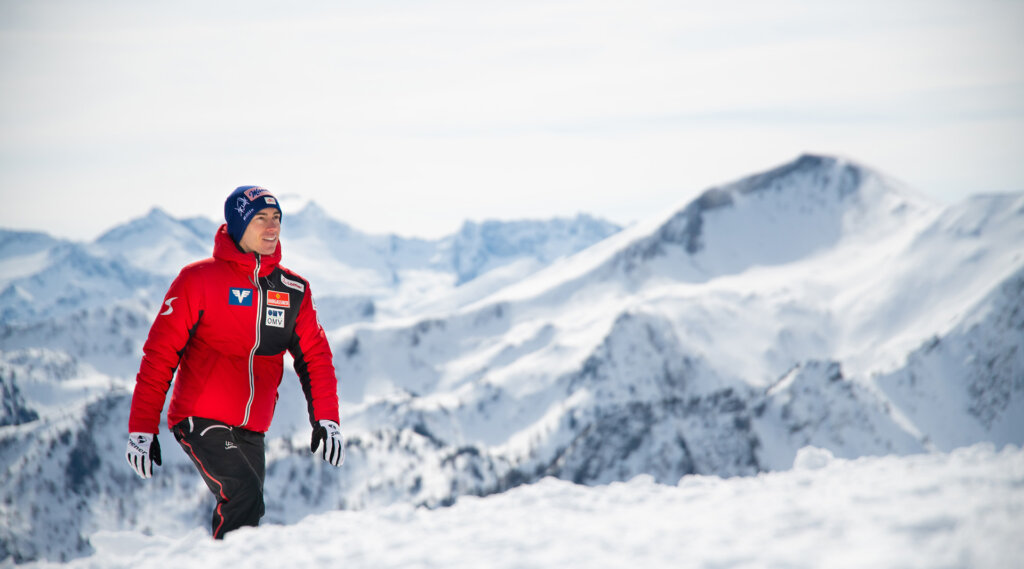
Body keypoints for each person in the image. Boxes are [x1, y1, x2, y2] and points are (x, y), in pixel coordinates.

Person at [125, 185, 345, 539]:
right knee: (242, 492)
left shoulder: (293, 290)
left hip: (253, 427)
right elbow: (159, 356)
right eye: (261, 218)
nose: (272, 227)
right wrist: (141, 426)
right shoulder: (198, 280)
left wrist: (327, 419)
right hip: (199, 417)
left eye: (276, 218)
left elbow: (316, 357)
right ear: (239, 225)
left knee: (249, 511)